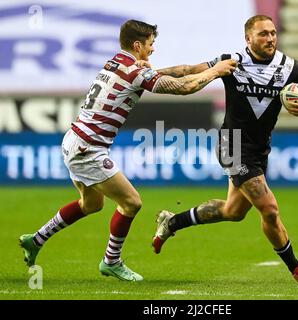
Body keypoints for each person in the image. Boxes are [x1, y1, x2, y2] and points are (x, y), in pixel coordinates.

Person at [19, 19, 237, 282]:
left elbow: (177, 72)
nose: (153, 50)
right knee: (131, 202)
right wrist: (216, 73)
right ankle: (111, 261)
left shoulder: (118, 63)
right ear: (137, 45)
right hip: (89, 149)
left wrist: (212, 64)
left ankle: (37, 239)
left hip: (74, 140)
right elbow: (183, 87)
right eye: (150, 44)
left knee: (91, 204)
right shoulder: (135, 72)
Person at [152, 15, 298, 284]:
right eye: (263, 34)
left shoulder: (290, 67)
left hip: (259, 150)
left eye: (272, 33)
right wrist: (152, 74)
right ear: (248, 39)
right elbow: (190, 70)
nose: (270, 38)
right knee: (269, 208)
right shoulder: (232, 62)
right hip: (232, 144)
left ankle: (172, 222)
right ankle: (297, 269)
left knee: (233, 212)